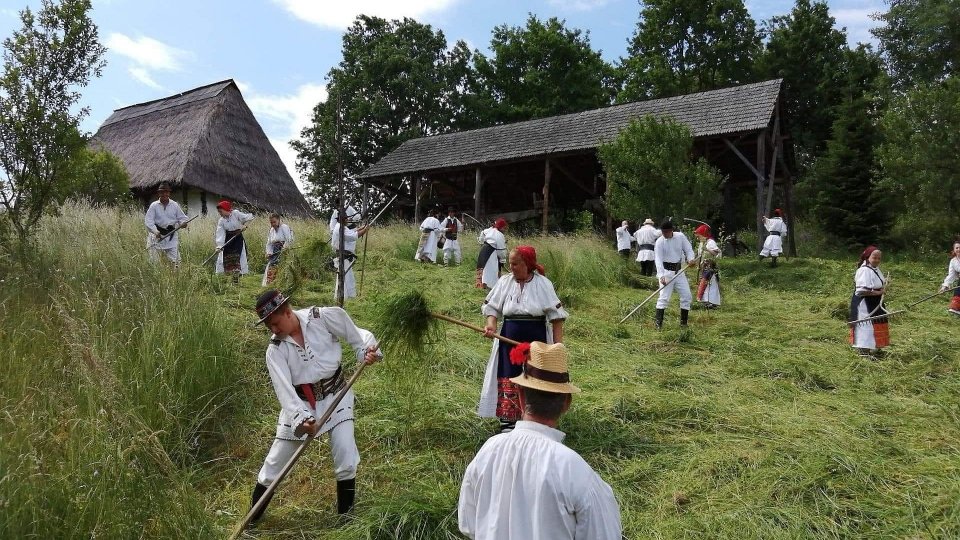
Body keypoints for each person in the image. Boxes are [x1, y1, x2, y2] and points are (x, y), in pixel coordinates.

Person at [458, 341, 622, 540]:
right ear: (567, 403)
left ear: (519, 395)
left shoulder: (487, 452)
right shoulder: (575, 472)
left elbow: (468, 524)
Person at [248, 289, 382, 523]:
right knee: (274, 465)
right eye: (269, 327)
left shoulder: (322, 318)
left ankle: (346, 521)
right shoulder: (275, 350)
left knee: (346, 456)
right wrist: (302, 419)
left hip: (337, 395)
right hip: (301, 404)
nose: (274, 330)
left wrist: (366, 352)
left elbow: (359, 336)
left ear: (288, 312)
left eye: (275, 323)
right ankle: (251, 521)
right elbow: (285, 391)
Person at [480, 246, 567, 434]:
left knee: (536, 377)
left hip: (536, 339)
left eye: (515, 264)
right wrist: (491, 326)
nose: (510, 267)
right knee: (508, 375)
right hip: (508, 337)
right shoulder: (504, 282)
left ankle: (535, 421)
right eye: (510, 263)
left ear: (527, 264)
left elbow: (557, 317)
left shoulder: (543, 284)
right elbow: (492, 308)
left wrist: (557, 346)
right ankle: (508, 425)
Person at [653, 221, 697, 329]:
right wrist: (661, 276)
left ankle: (683, 323)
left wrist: (691, 259)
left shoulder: (680, 237)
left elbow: (689, 250)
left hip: (679, 272)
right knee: (663, 298)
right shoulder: (659, 242)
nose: (664, 234)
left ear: (671, 230)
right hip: (666, 272)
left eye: (666, 232)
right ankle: (658, 324)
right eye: (663, 232)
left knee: (687, 296)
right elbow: (658, 260)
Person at [849, 245, 889, 357]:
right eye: (874, 257)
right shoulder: (864, 270)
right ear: (868, 257)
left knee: (875, 324)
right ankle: (863, 351)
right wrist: (878, 292)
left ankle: (873, 348)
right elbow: (861, 290)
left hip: (874, 302)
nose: (877, 260)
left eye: (879, 258)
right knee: (865, 326)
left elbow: (876, 284)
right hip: (865, 304)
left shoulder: (875, 269)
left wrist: (883, 286)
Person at [144, 182, 188, 266]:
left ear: (169, 193)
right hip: (156, 237)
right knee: (154, 263)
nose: (164, 194)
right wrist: (155, 231)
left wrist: (183, 223)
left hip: (171, 237)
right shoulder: (154, 205)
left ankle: (175, 278)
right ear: (159, 193)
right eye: (162, 192)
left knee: (176, 263)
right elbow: (148, 221)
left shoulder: (174, 205)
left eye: (166, 192)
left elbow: (182, 218)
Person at [331, 208, 369, 300]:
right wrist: (365, 230)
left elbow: (351, 232)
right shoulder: (340, 227)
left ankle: (346, 297)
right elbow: (353, 236)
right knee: (345, 278)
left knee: (348, 278)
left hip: (344, 257)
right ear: (343, 219)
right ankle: (342, 298)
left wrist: (362, 228)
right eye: (346, 218)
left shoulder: (341, 226)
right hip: (343, 257)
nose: (348, 220)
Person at [215, 200, 254, 281]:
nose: (220, 213)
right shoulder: (221, 220)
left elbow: (249, 217)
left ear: (226, 209)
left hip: (237, 239)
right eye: (219, 212)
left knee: (239, 258)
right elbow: (220, 233)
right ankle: (229, 278)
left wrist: (245, 225)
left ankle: (238, 277)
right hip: (228, 240)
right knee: (227, 258)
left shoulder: (236, 214)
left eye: (220, 211)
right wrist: (219, 245)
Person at [694, 224, 721, 308]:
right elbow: (700, 255)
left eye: (698, 236)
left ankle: (712, 303)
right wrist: (698, 264)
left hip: (711, 266)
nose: (697, 238)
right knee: (704, 284)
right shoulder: (702, 243)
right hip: (704, 266)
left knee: (711, 284)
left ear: (703, 234)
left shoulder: (710, 242)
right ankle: (706, 302)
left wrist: (707, 249)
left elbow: (716, 253)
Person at [262, 214, 294, 287]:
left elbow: (289, 239)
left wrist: (285, 248)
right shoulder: (271, 230)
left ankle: (281, 284)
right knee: (272, 266)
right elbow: (269, 243)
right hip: (274, 250)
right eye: (271, 222)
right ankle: (271, 284)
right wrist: (269, 252)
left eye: (274, 222)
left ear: (279, 220)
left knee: (281, 266)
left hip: (283, 250)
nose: (273, 224)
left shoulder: (284, 227)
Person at [476, 218, 508, 289]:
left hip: (484, 250)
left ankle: (484, 284)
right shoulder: (500, 235)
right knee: (492, 270)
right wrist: (502, 260)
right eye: (504, 228)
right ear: (501, 227)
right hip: (492, 254)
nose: (505, 229)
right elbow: (501, 251)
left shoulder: (490, 230)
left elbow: (483, 232)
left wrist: (481, 242)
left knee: (485, 269)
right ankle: (491, 287)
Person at [939, 241, 960, 316]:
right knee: (958, 288)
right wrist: (945, 286)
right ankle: (956, 308)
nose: (958, 249)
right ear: (954, 250)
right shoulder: (953, 261)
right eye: (957, 248)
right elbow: (951, 275)